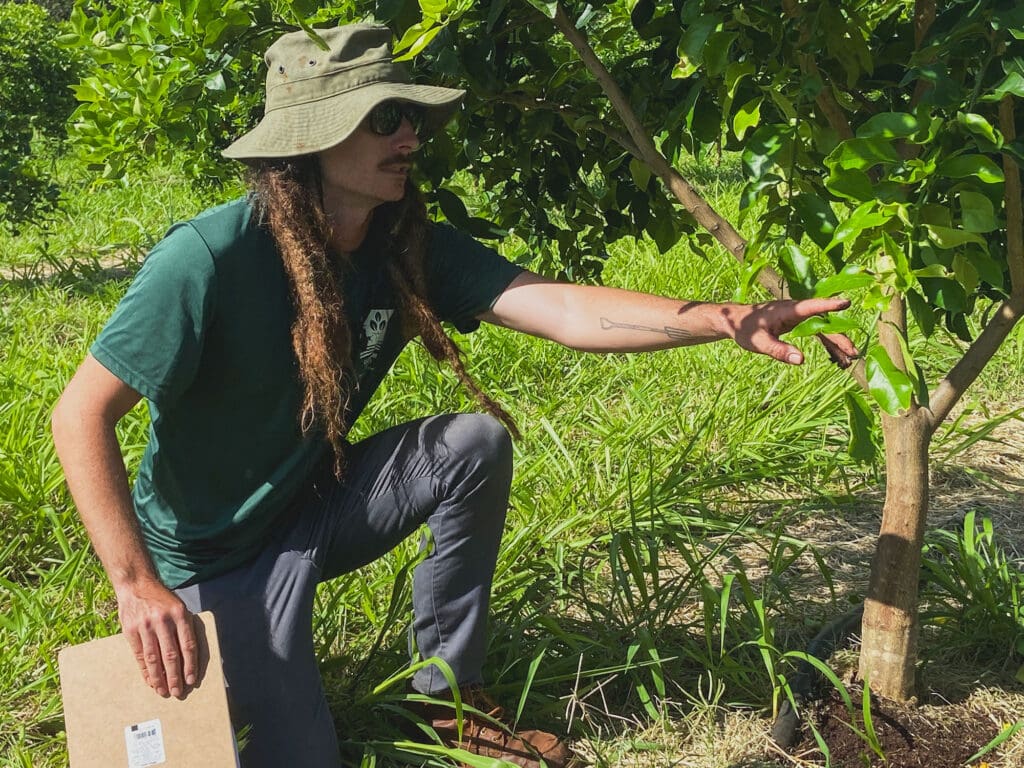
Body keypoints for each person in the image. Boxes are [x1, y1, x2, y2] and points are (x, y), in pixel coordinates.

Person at [51, 23, 856, 768]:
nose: (410, 137)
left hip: (311, 506)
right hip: (210, 555)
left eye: (411, 117)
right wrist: (137, 586)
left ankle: (447, 694)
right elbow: (79, 413)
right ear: (311, 140)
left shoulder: (406, 245)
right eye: (384, 118)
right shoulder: (207, 260)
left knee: (472, 444)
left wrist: (725, 319)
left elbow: (568, 310)